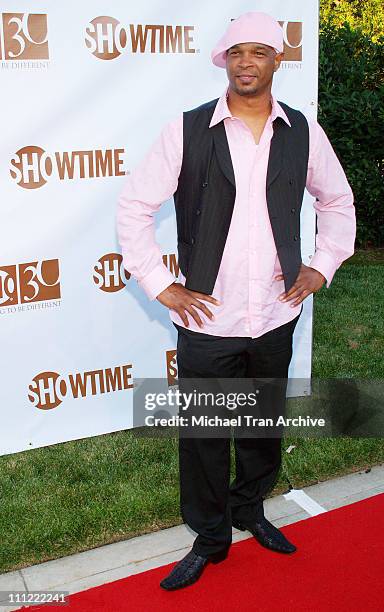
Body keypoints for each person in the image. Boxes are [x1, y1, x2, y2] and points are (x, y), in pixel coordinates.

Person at [116, 11, 356, 591]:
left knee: (262, 423)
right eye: (238, 53)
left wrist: (321, 267)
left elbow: (338, 202)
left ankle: (250, 508)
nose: (248, 62)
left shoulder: (303, 131)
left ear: (277, 60)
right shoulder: (187, 129)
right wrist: (160, 284)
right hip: (209, 317)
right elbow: (133, 209)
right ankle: (210, 535)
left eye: (260, 52)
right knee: (203, 433)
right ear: (225, 60)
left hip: (276, 312)